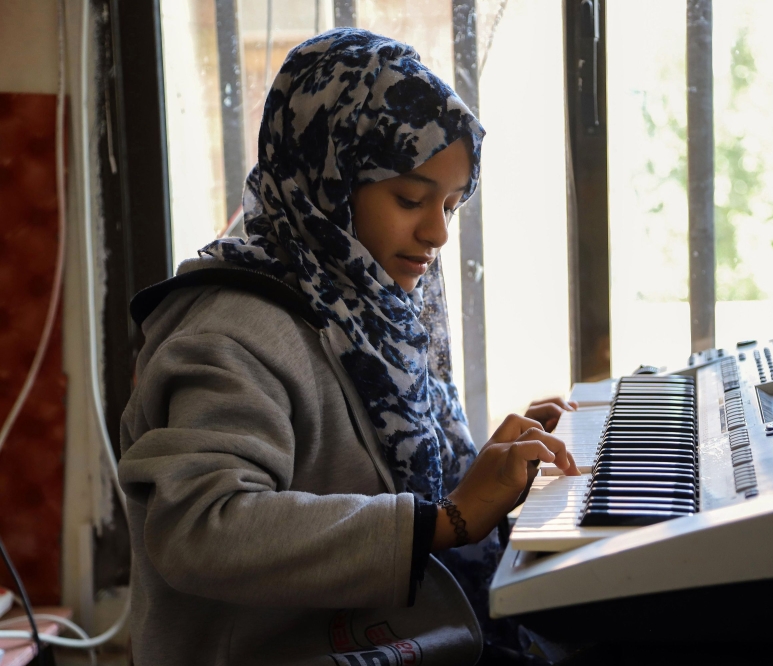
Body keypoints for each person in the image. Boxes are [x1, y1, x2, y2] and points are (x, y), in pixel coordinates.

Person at [119, 28, 579, 666]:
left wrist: (497, 470)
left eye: (451, 204)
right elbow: (199, 528)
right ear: (329, 181)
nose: (438, 232)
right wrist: (443, 520)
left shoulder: (360, 309)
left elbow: (386, 480)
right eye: (411, 198)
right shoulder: (228, 334)